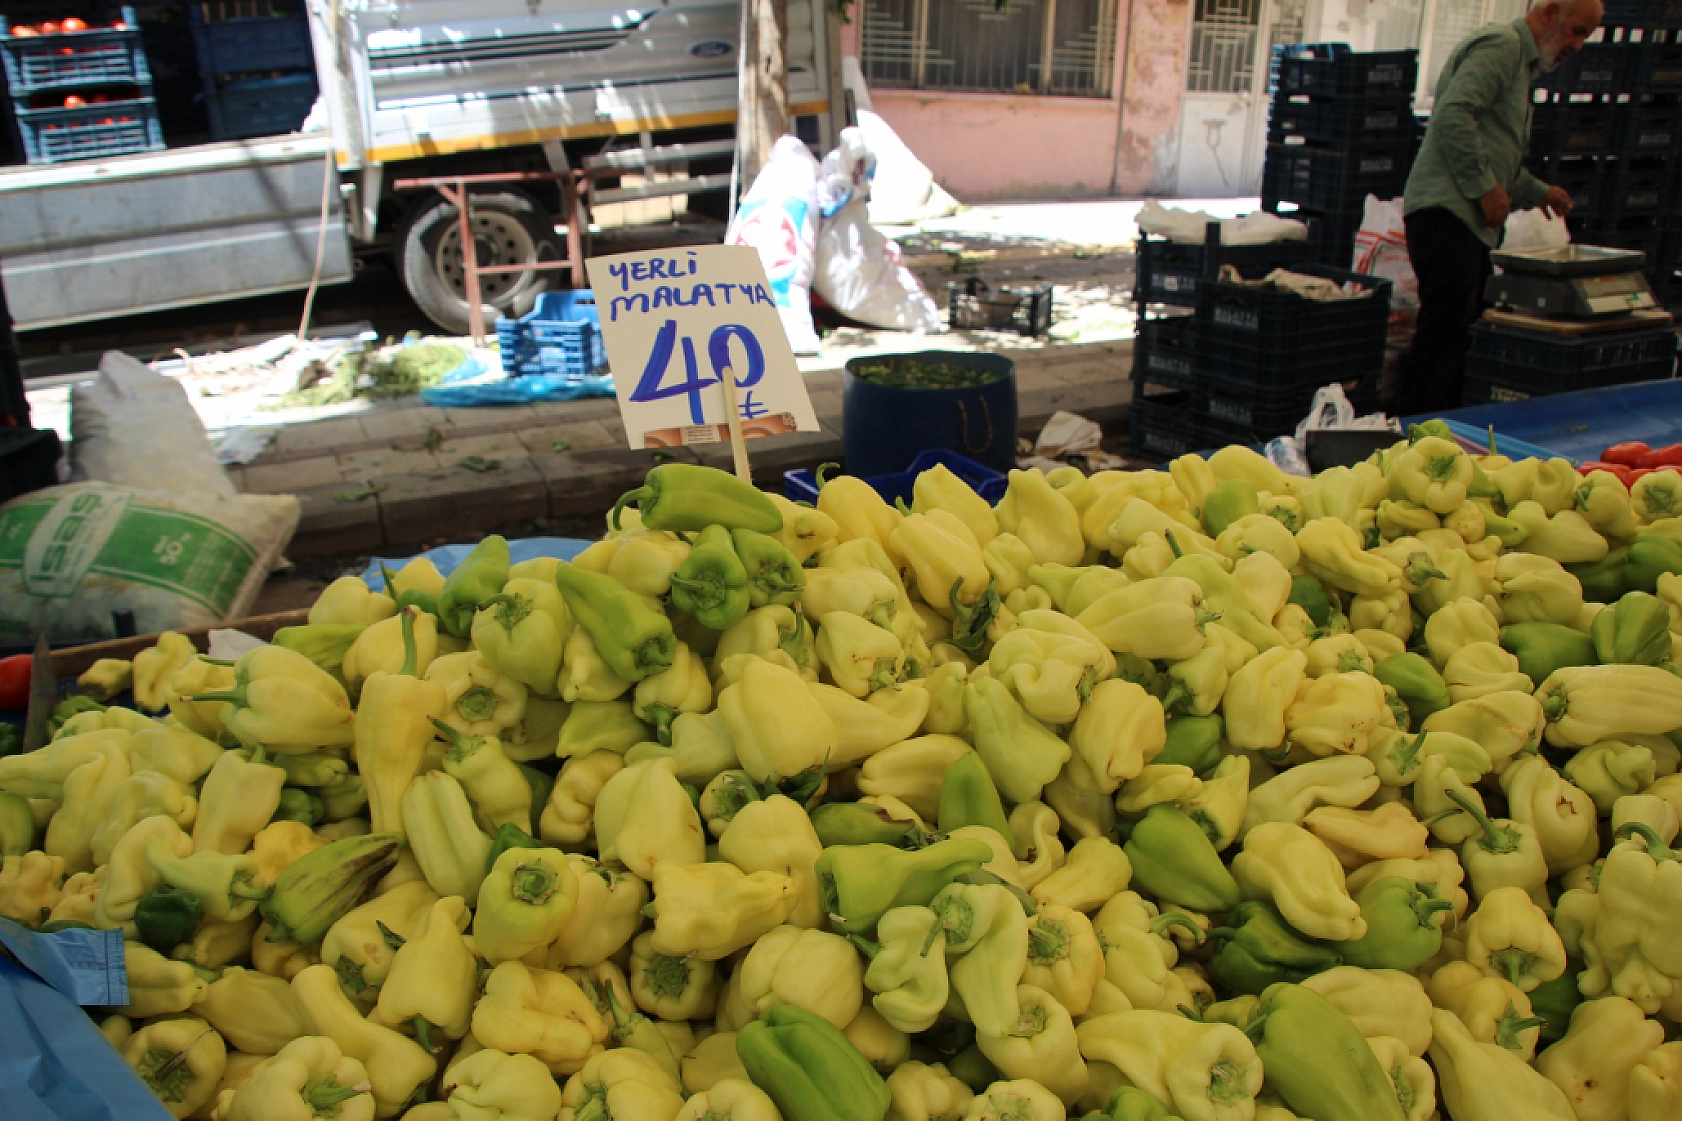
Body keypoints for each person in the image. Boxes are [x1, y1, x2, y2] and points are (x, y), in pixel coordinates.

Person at [1394, 0, 1603, 416]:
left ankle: (1439, 427)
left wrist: (1540, 192)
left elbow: (1496, 158)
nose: (1577, 46)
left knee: (1459, 330)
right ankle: (1414, 432)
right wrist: (1483, 187)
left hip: (1466, 221)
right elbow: (1453, 114)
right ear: (1549, 13)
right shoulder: (1502, 48)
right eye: (1576, 31)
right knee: (1445, 332)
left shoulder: (1521, 70)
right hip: (1447, 212)